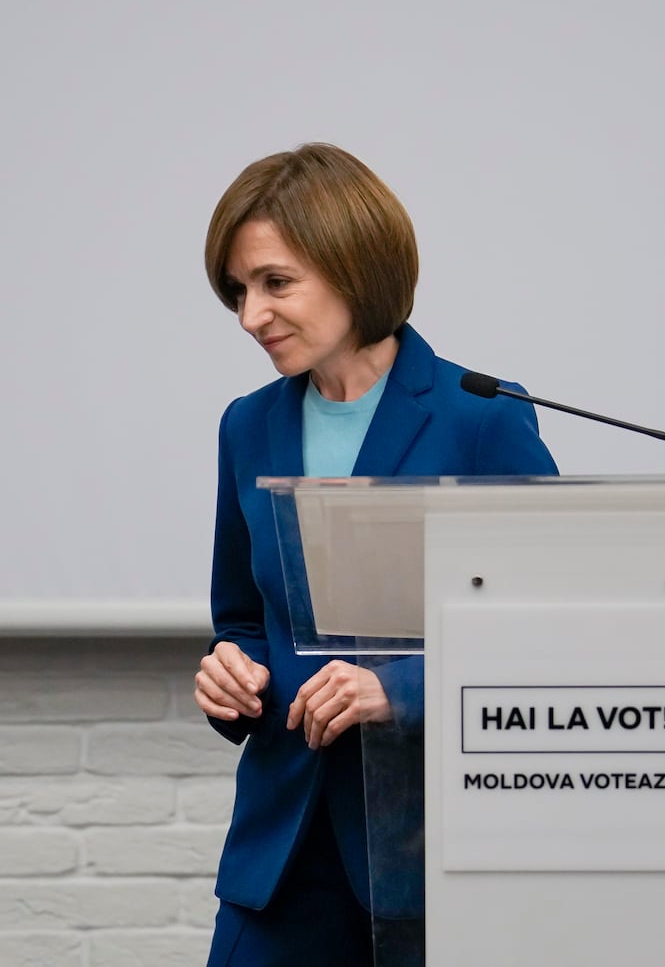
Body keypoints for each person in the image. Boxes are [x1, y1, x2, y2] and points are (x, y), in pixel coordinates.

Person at [193, 143, 558, 966]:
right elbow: (243, 618)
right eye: (239, 292)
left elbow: (546, 626)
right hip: (281, 850)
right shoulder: (246, 425)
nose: (252, 316)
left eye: (275, 283)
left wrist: (398, 690)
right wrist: (229, 669)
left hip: (435, 847)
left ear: (354, 268)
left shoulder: (481, 419)